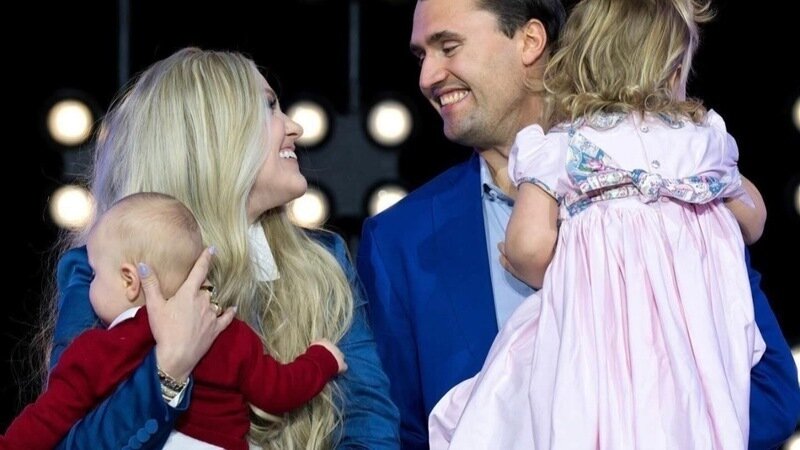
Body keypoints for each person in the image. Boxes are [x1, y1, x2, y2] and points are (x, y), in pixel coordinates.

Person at [356, 0, 800, 448]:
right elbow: (398, 433)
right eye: (421, 56)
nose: (427, 77)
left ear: (530, 40)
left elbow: (772, 392)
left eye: (448, 47)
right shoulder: (397, 242)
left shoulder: (679, 192)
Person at [38, 47, 400, 449]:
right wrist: (168, 369)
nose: (294, 126)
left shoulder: (324, 258)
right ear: (210, 136)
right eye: (268, 107)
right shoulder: (101, 268)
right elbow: (67, 440)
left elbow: (369, 423)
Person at [3, 192, 348, 450]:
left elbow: (47, 419)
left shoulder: (100, 348)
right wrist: (322, 359)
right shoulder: (230, 332)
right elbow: (278, 390)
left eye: (94, 274)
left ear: (129, 280)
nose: (90, 284)